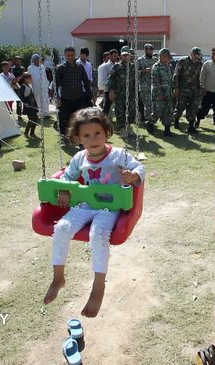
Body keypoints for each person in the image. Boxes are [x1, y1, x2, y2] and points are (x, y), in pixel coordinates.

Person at [43, 107, 145, 317]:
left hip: (109, 207)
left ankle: (98, 286)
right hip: (85, 204)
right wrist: (64, 188)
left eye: (97, 133)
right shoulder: (80, 158)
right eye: (86, 135)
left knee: (97, 234)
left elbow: (139, 167)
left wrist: (133, 176)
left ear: (106, 132)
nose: (93, 139)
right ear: (78, 138)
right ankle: (58, 276)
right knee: (61, 227)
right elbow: (67, 176)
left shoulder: (118, 154)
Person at [53, 46, 92, 138]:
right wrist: (57, 97)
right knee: (64, 119)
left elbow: (86, 82)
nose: (70, 57)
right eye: (68, 55)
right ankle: (64, 135)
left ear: (75, 55)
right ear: (65, 56)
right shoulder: (61, 68)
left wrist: (89, 94)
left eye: (72, 55)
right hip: (66, 98)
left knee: (79, 118)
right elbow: (56, 84)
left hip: (79, 97)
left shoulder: (80, 67)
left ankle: (79, 136)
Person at [107, 46, 137, 137]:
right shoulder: (116, 67)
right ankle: (123, 129)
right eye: (124, 55)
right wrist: (111, 91)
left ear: (130, 56)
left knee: (131, 111)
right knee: (120, 112)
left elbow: (135, 80)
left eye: (127, 55)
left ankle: (128, 127)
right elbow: (110, 79)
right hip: (119, 94)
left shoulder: (133, 66)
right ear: (121, 56)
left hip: (131, 94)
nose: (126, 57)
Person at [173, 47, 204, 133]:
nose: (198, 57)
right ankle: (176, 120)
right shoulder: (183, 61)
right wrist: (176, 88)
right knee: (180, 107)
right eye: (196, 55)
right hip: (183, 90)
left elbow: (200, 77)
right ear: (192, 54)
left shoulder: (199, 64)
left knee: (193, 108)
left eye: (199, 55)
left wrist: (201, 88)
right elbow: (176, 75)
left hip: (194, 90)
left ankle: (191, 126)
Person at [146, 48, 175, 136]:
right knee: (157, 112)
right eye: (167, 57)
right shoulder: (156, 67)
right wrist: (159, 94)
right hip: (159, 94)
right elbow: (156, 82)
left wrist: (172, 90)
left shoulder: (168, 66)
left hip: (168, 93)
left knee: (168, 111)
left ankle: (167, 130)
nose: (169, 59)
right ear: (162, 56)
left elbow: (170, 80)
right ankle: (150, 123)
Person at [136, 44, 158, 123]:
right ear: (145, 50)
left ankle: (152, 120)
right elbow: (135, 73)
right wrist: (143, 71)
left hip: (155, 86)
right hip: (145, 87)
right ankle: (148, 122)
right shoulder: (139, 60)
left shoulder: (155, 60)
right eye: (149, 50)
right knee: (148, 105)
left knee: (155, 105)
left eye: (151, 50)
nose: (150, 52)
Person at [28, 54, 50, 119]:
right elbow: (29, 78)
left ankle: (46, 114)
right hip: (35, 87)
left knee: (45, 99)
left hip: (44, 86)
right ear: (33, 60)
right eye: (36, 60)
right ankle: (40, 114)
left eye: (38, 59)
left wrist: (47, 85)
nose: (37, 61)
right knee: (38, 100)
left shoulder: (42, 66)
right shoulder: (30, 68)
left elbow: (45, 76)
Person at [19, 73, 39, 138]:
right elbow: (21, 96)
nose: (31, 80)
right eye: (29, 78)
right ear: (25, 79)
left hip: (33, 106)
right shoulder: (23, 86)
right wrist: (25, 103)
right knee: (31, 119)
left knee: (36, 119)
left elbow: (32, 96)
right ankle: (26, 132)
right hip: (28, 106)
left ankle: (32, 133)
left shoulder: (29, 86)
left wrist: (36, 105)